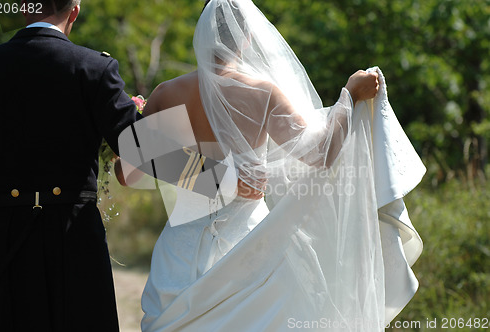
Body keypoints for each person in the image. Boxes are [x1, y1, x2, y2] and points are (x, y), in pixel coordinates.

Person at [120, 0, 423, 331]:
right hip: (248, 244)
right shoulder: (261, 94)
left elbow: (127, 172)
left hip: (179, 251)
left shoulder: (168, 92)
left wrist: (211, 177)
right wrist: (348, 96)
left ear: (202, 33)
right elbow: (321, 153)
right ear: (248, 36)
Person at [0, 0, 141, 331]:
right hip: (74, 237)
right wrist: (223, 174)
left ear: (22, 9)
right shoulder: (94, 67)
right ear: (73, 12)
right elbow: (143, 149)